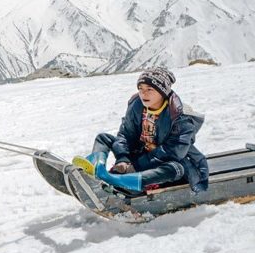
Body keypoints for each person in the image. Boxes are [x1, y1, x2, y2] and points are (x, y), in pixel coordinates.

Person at [73, 67, 209, 193]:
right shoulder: (137, 105)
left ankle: (123, 182)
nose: (143, 93)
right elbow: (126, 134)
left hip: (167, 162)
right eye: (140, 88)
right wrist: (123, 159)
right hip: (142, 155)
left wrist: (135, 166)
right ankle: (95, 169)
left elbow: (172, 152)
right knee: (103, 138)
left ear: (163, 92)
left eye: (149, 89)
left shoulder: (180, 118)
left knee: (175, 169)